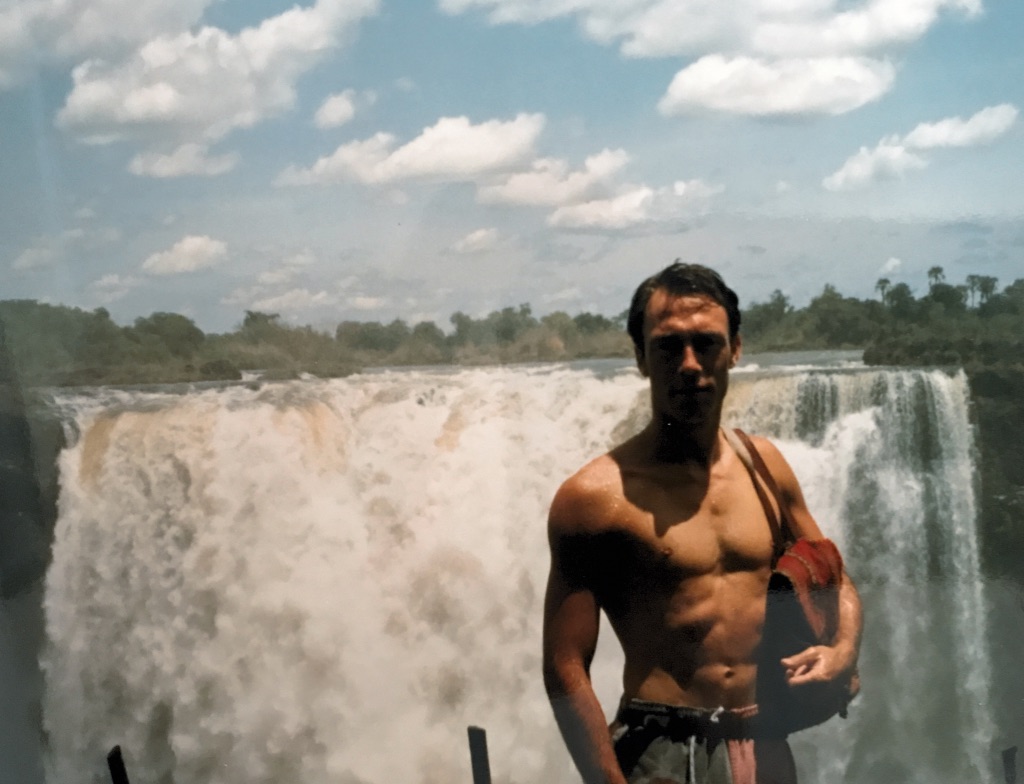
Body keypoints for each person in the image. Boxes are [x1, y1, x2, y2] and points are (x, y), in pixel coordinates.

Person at [542, 262, 862, 784]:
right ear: (641, 357)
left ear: (735, 349)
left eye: (706, 343)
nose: (689, 365)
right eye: (668, 347)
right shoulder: (595, 499)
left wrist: (844, 652)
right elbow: (564, 665)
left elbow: (836, 577)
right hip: (662, 752)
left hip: (764, 744)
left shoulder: (765, 468)